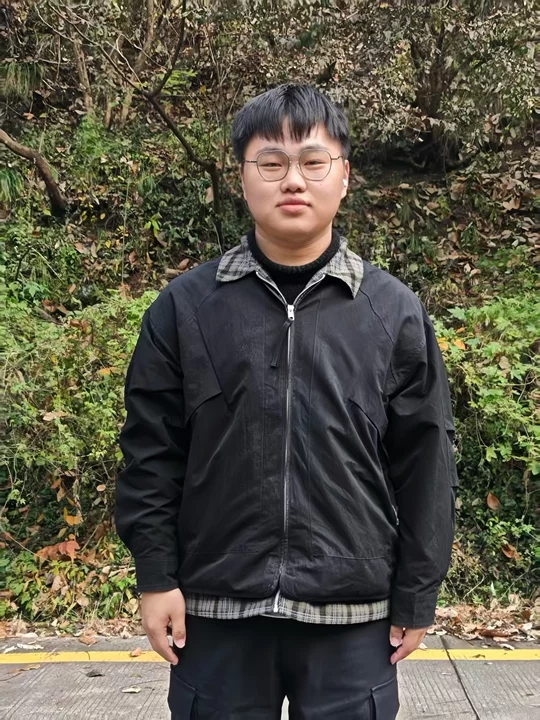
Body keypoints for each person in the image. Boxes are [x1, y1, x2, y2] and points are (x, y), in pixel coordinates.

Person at [115, 83, 458, 719]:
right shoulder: (186, 308)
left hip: (353, 617)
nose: (293, 180)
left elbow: (426, 460)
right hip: (216, 611)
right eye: (271, 163)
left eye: (313, 161)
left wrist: (416, 591)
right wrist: (156, 576)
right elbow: (151, 453)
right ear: (243, 178)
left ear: (344, 176)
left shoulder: (392, 312)